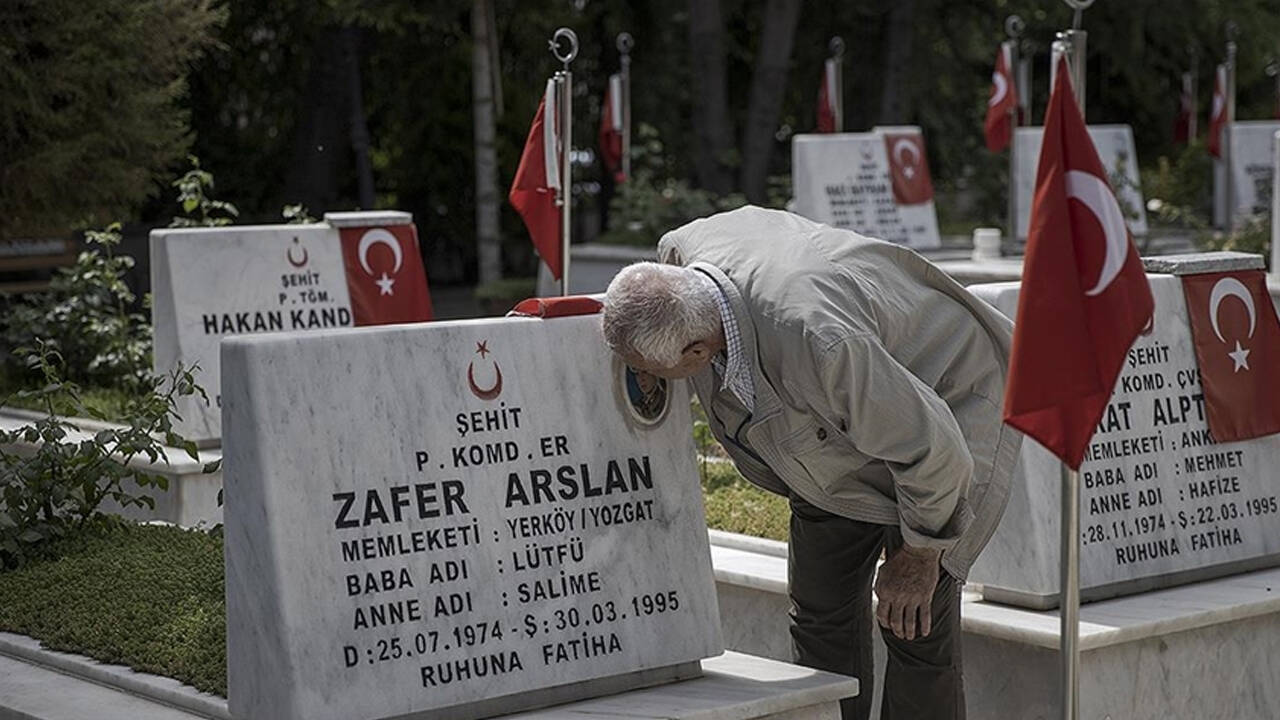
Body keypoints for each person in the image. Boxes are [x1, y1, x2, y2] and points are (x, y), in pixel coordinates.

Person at [601, 206, 1021, 720]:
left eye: (650, 371)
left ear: (695, 350)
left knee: (914, 623)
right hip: (832, 436)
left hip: (945, 401)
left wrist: (920, 556)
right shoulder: (679, 260)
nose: (647, 381)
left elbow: (934, 450)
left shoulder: (821, 344)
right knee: (821, 616)